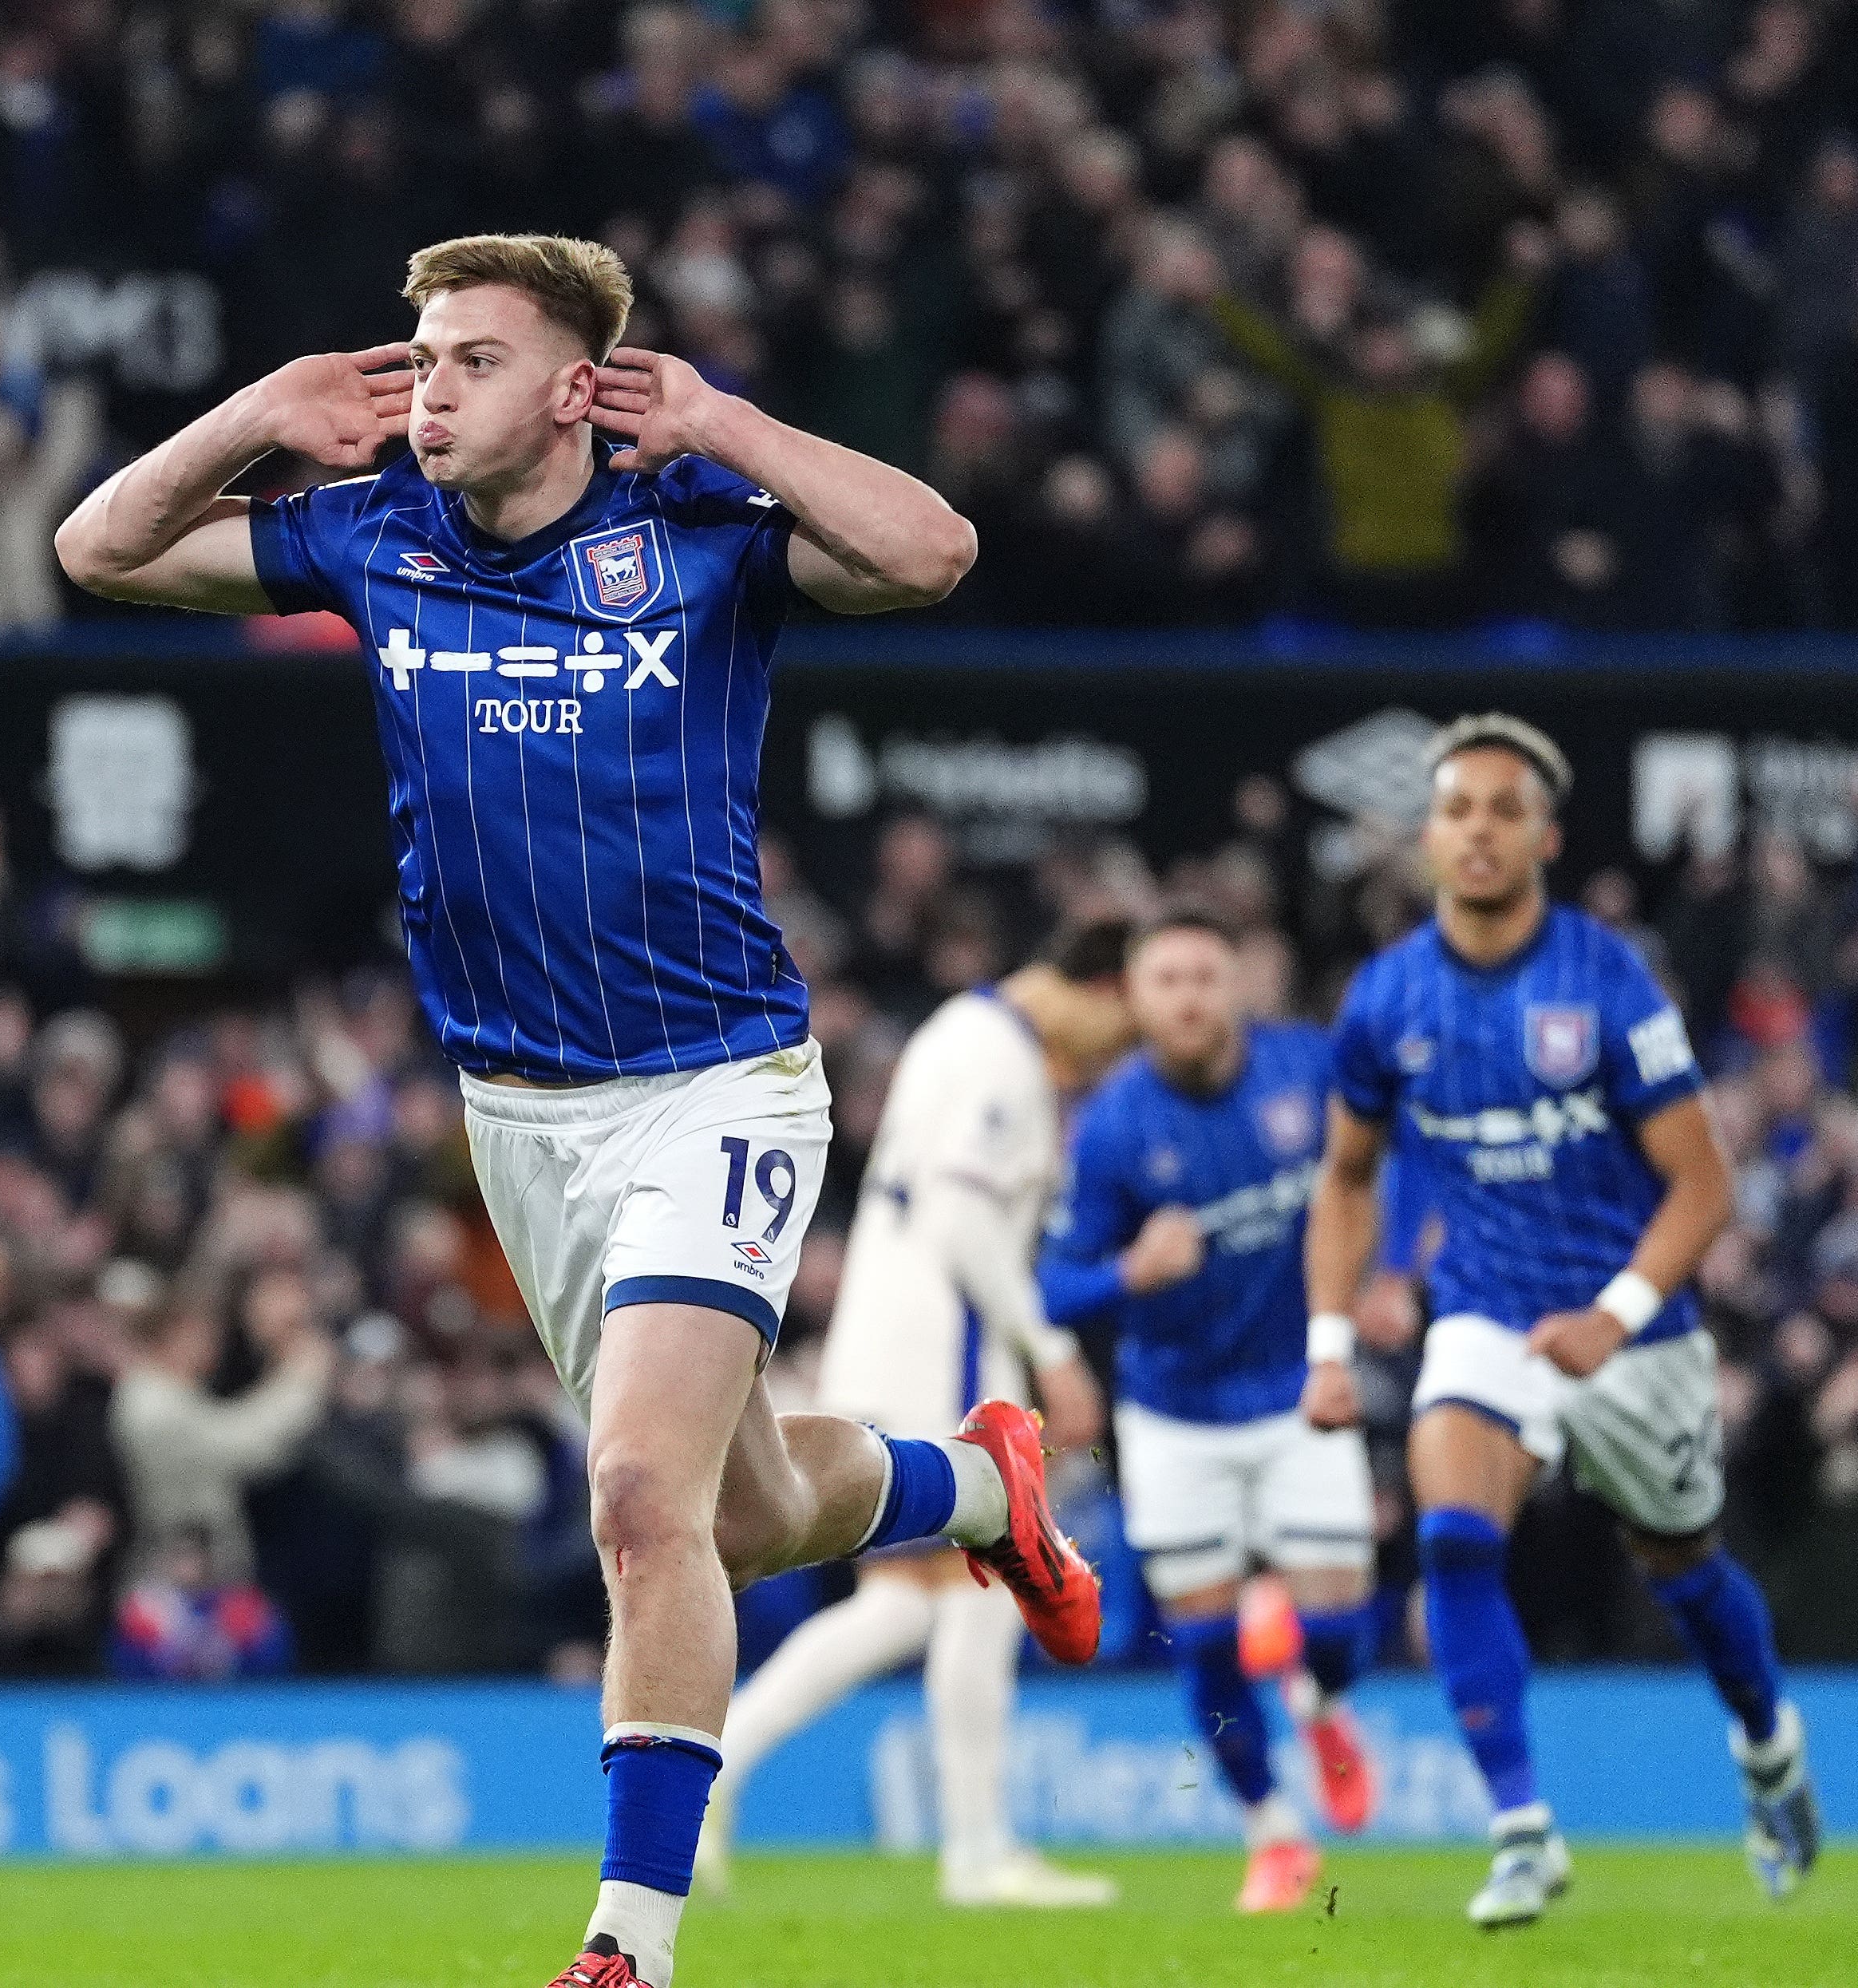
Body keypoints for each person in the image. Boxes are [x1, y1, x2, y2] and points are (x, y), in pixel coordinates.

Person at [55, 231, 1097, 1988]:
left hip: (713, 1082)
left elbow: (931, 548)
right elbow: (98, 550)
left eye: (468, 357)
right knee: (737, 1514)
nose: (427, 386)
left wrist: (729, 424)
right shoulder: (371, 539)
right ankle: (975, 1489)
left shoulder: (691, 547)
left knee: (632, 1501)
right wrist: (251, 411)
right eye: (419, 353)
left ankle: (626, 1946)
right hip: (518, 1119)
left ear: (569, 387)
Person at [1304, 713, 1816, 1927]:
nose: (1477, 828)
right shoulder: (1387, 996)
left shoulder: (1605, 977)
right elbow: (1345, 1176)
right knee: (1451, 1534)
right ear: (1428, 836)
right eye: (1456, 808)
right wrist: (1329, 1344)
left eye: (1501, 808)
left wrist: (1615, 1309)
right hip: (1483, 1311)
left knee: (1683, 1563)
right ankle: (1521, 1827)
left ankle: (1767, 1743)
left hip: (1633, 1327)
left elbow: (1704, 1182)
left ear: (1543, 834)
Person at [699, 923, 1133, 1911]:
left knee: (903, 1604)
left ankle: (715, 1766)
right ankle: (976, 1850)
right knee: (988, 1573)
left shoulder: (962, 1033)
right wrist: (1048, 1347)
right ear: (1095, 988)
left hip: (889, 1334)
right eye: (1122, 1021)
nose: (1115, 1052)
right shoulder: (999, 1053)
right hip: (940, 1343)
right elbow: (959, 1214)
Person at [1036, 911, 1381, 1913]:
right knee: (1205, 1641)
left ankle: (1320, 1699)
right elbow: (1052, 1285)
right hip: (1174, 1411)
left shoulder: (1305, 1071)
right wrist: (1127, 1270)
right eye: (1166, 979)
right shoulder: (1111, 1123)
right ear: (1135, 1000)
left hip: (1293, 1388)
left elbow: (1375, 1177)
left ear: (1235, 985)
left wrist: (1388, 1276)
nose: (1187, 995)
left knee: (1333, 1621)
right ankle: (1271, 1832)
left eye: (1203, 974)